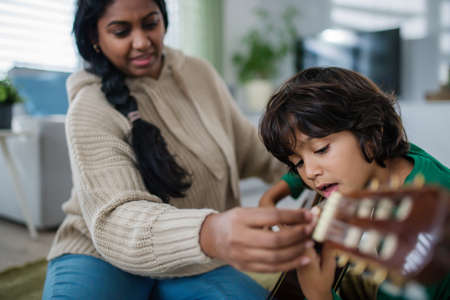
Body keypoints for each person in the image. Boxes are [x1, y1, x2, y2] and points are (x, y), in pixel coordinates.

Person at [41, 0, 317, 299]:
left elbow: (253, 150)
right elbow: (117, 219)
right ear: (94, 38)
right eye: (121, 32)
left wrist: (320, 158)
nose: (142, 42)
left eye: (150, 23)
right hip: (101, 253)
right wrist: (212, 231)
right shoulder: (89, 108)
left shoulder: (199, 73)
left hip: (196, 259)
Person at [259, 66, 450, 300]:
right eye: (298, 163)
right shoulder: (389, 161)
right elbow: (304, 170)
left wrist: (319, 295)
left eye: (321, 149)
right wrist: (271, 197)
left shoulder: (426, 219)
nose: (309, 172)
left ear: (372, 134)